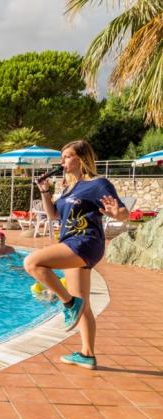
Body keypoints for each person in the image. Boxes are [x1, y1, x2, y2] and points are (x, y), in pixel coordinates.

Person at [24, 140, 129, 371]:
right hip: (70, 243)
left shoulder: (98, 184)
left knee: (31, 262)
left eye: (67, 156)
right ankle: (87, 354)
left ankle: (69, 304)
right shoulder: (68, 188)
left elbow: (122, 212)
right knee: (84, 305)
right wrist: (44, 190)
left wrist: (117, 213)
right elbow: (54, 216)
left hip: (85, 242)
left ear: (81, 159)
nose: (62, 161)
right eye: (62, 158)